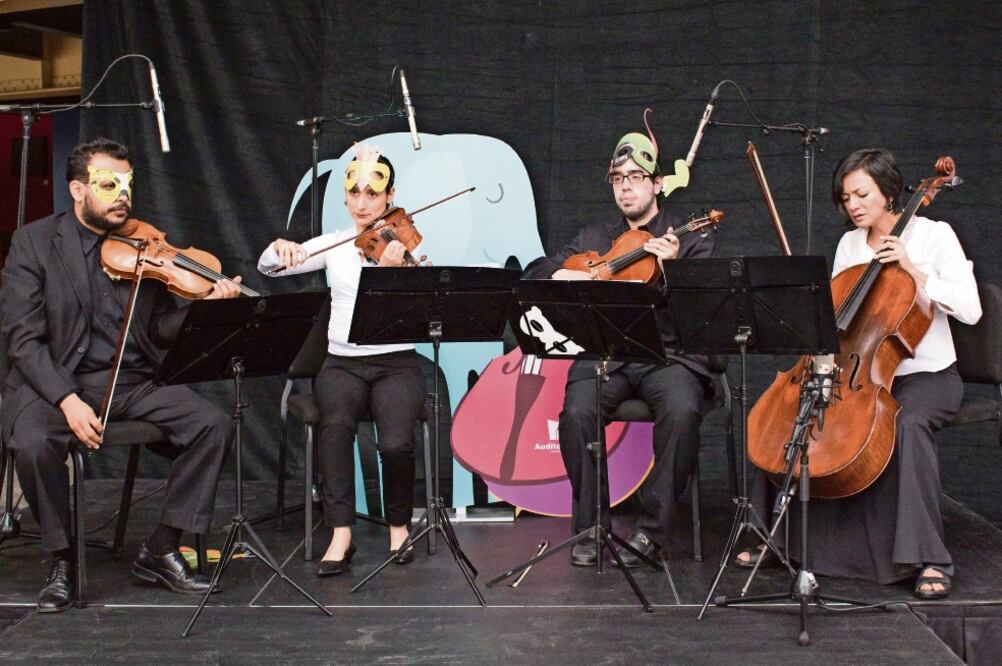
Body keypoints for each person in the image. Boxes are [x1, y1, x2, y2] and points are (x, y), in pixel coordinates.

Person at [0, 138, 241, 613]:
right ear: (77, 189)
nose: (122, 194)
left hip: (130, 382)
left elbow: (160, 331)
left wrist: (202, 307)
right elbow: (23, 341)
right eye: (108, 184)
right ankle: (60, 557)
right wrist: (67, 399)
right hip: (55, 382)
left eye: (127, 183)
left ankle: (161, 547)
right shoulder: (33, 243)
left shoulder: (144, 244)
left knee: (212, 424)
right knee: (31, 442)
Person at [738, 148, 981, 599]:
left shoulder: (935, 236)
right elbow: (838, 317)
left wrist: (913, 269)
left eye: (861, 194)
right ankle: (772, 535)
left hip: (927, 376)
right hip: (860, 372)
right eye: (845, 197)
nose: (852, 205)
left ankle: (929, 557)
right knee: (787, 413)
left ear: (890, 192)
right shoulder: (850, 244)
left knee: (905, 424)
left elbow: (970, 309)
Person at [523, 128, 715, 567]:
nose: (626, 185)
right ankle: (592, 527)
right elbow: (538, 271)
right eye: (618, 178)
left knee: (683, 411)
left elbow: (704, 307)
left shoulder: (688, 236)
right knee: (575, 414)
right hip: (606, 354)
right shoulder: (595, 235)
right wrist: (569, 276)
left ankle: (652, 532)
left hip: (667, 357)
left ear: (656, 183)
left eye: (635, 176)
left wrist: (672, 271)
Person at [257, 145, 426, 576]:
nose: (364, 202)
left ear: (390, 199)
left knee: (395, 443)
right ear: (346, 199)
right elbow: (268, 269)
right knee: (334, 428)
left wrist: (393, 274)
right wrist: (281, 250)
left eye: (374, 193)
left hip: (396, 362)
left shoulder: (403, 245)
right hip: (342, 363)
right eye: (356, 193)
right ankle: (341, 534)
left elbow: (421, 308)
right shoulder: (333, 244)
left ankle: (399, 528)